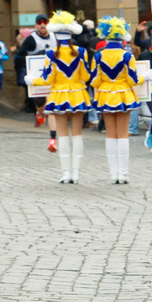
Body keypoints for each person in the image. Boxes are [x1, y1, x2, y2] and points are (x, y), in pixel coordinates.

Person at [28, 12, 92, 183]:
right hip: (78, 94)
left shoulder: (50, 54)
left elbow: (47, 79)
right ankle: (76, 174)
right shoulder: (81, 52)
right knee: (77, 134)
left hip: (58, 95)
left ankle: (66, 174)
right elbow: (86, 77)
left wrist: (31, 80)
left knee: (62, 134)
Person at [91, 17, 140, 184]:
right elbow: (133, 80)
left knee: (111, 134)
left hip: (105, 95)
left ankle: (113, 174)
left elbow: (94, 80)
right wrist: (144, 77)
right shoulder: (127, 55)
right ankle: (123, 174)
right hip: (123, 95)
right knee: (123, 135)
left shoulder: (98, 55)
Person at [16, 14, 57, 142]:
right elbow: (18, 57)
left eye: (45, 22)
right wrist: (32, 59)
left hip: (53, 76)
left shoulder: (55, 37)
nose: (43, 25)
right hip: (37, 76)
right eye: (40, 23)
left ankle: (53, 136)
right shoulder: (31, 39)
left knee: (51, 106)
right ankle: (39, 113)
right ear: (36, 25)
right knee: (41, 106)